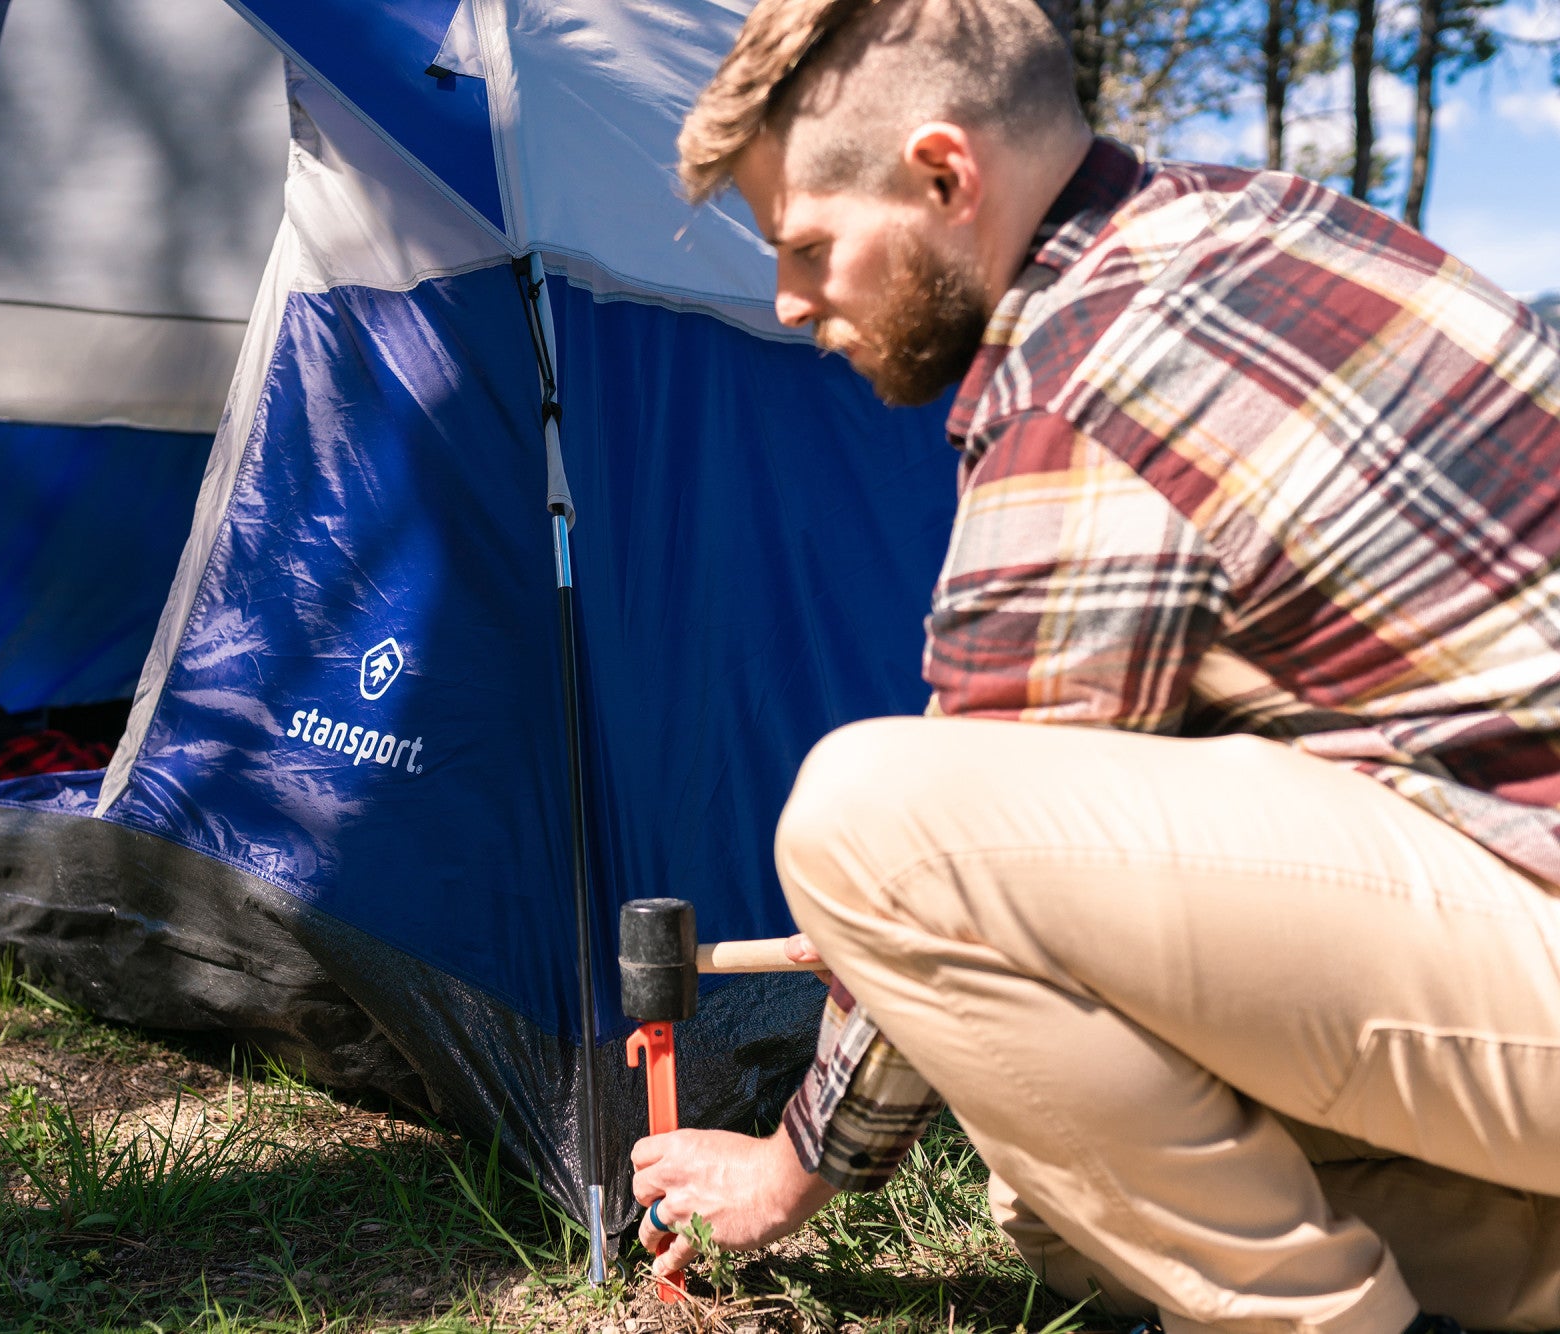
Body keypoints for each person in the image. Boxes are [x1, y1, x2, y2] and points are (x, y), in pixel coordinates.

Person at [628, 0, 1560, 1329]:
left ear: (944, 177)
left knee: (869, 819)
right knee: (1061, 1198)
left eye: (810, 245)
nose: (788, 300)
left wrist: (787, 1170)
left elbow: (942, 849)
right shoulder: (1262, 222)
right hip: (1504, 904)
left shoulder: (1087, 381)